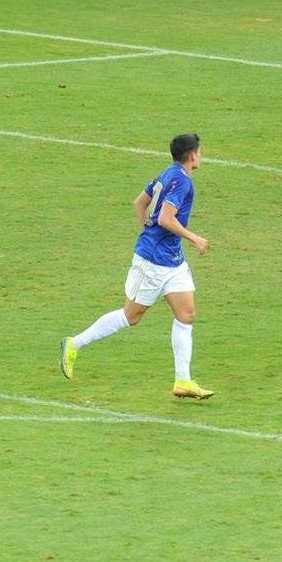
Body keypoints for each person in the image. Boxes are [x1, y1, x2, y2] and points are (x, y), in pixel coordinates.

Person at [60, 133, 215, 399]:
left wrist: (147, 225)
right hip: (153, 261)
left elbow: (139, 202)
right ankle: (74, 343)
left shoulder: (168, 173)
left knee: (186, 315)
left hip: (172, 259)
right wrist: (194, 238)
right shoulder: (182, 182)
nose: (201, 156)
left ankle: (183, 381)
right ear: (192, 155)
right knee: (131, 316)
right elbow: (166, 218)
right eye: (199, 151)